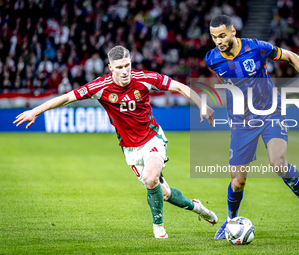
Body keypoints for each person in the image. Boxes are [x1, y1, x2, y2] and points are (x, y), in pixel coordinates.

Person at [14, 45, 217, 239]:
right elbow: (67, 97)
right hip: (130, 148)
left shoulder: (144, 78)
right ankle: (198, 207)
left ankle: (158, 227)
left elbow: (179, 86)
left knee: (150, 177)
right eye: (119, 67)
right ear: (111, 68)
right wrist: (35, 111)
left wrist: (202, 105)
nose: (125, 71)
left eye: (127, 65)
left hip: (152, 137)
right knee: (164, 193)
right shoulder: (100, 87)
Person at [205, 15, 299, 239]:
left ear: (233, 31)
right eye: (214, 37)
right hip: (242, 121)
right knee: (238, 181)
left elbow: (291, 56)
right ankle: (231, 219)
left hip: (271, 111)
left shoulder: (256, 48)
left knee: (278, 163)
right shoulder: (212, 59)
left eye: (222, 35)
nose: (218, 41)